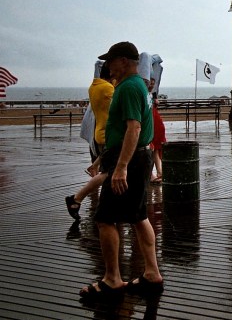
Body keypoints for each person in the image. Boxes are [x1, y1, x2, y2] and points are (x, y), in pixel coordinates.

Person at [79, 41, 163, 300]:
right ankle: (151, 274)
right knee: (139, 217)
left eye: (111, 61)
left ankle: (112, 279)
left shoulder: (127, 88)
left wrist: (120, 168)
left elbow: (133, 129)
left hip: (129, 161)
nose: (107, 66)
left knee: (105, 219)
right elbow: (132, 131)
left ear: (124, 61)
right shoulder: (140, 86)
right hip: (140, 157)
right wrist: (102, 160)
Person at [66, 62, 114, 220]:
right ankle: (76, 198)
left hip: (100, 133)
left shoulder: (94, 86)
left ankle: (93, 169)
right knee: (109, 173)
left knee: (109, 170)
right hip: (109, 135)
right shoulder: (108, 89)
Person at [150, 92, 166, 184]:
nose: (151, 83)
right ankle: (155, 173)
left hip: (155, 122)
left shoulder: (152, 94)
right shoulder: (145, 93)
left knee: (155, 148)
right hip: (152, 122)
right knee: (152, 148)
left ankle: (158, 172)